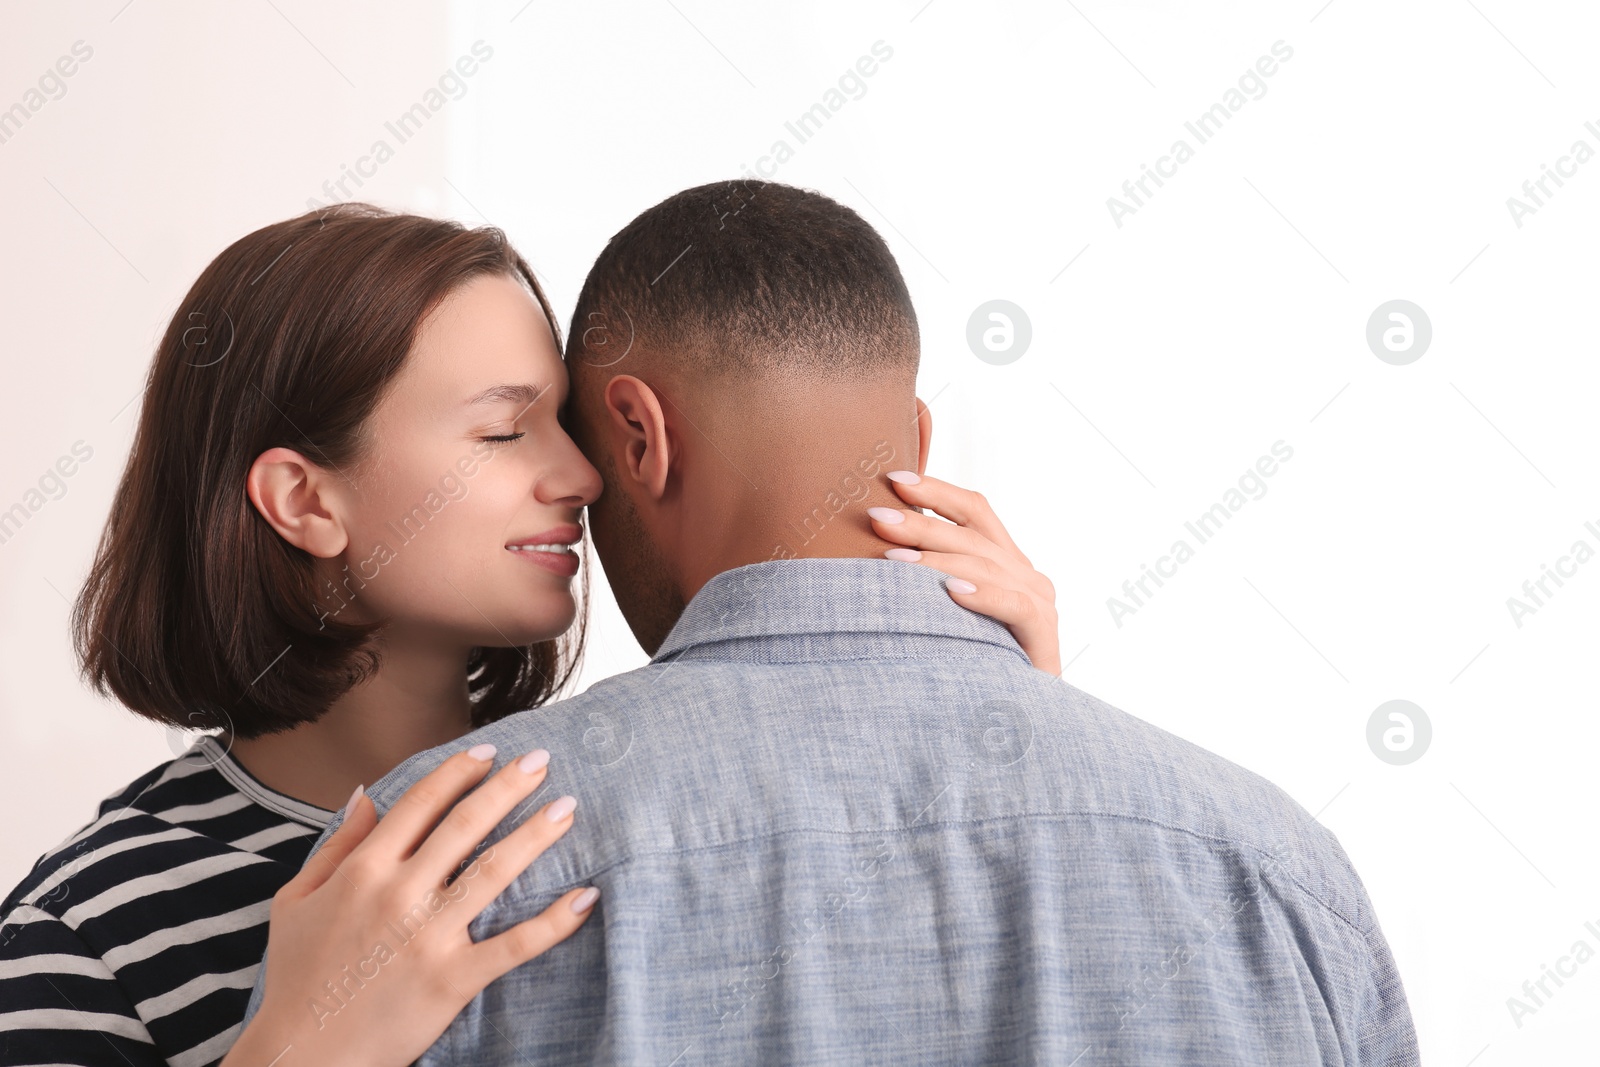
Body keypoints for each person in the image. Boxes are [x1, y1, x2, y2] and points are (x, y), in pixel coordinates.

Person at [246, 180, 1420, 1065]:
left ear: (640, 437)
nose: (576, 486)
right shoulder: (1274, 866)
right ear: (913, 444)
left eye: (578, 442)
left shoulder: (448, 859)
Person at [0, 204, 1058, 1067]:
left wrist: (1018, 714)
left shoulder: (618, 815)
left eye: (570, 422)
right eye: (505, 430)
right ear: (302, 499)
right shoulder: (84, 928)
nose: (584, 476)